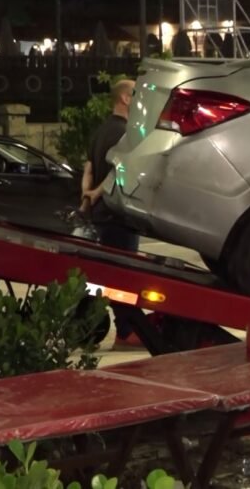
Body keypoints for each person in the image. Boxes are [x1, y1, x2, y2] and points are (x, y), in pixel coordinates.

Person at [80, 78, 142, 349]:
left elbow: (88, 169)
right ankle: (126, 332)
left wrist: (86, 196)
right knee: (123, 279)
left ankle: (90, 328)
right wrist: (98, 193)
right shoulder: (125, 133)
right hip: (119, 216)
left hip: (100, 217)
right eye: (136, 94)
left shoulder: (101, 131)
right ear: (125, 99)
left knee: (102, 274)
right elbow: (120, 170)